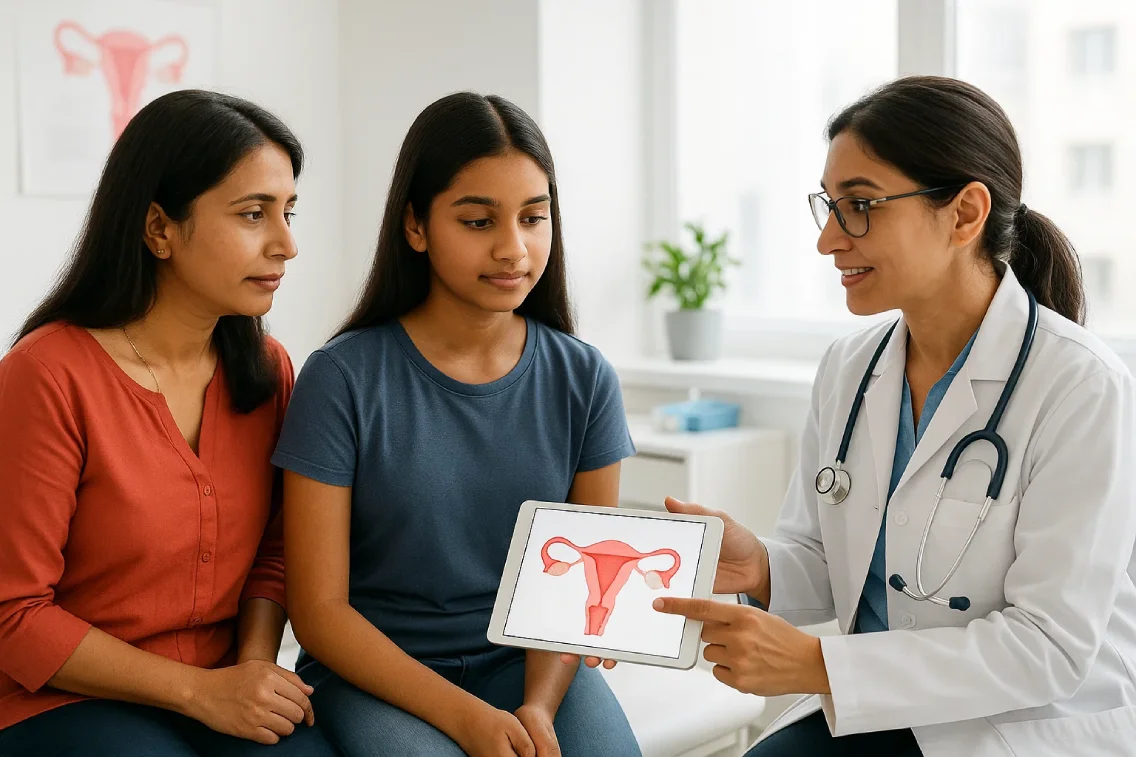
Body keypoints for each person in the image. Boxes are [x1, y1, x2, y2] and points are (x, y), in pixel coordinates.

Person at [656, 75, 1136, 757]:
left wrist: (816, 665)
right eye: (829, 205)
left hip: (1022, 726)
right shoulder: (850, 369)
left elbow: (1047, 648)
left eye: (860, 205)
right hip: (878, 709)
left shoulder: (1081, 387)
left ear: (965, 214)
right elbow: (825, 560)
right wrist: (760, 565)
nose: (829, 240)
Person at [274, 92, 642, 757]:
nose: (513, 248)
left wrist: (535, 706)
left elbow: (575, 596)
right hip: (377, 673)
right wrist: (467, 717)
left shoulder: (586, 378)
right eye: (478, 221)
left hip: (531, 669)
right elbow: (319, 613)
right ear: (415, 226)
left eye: (534, 217)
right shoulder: (341, 377)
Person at [0, 90, 338, 757]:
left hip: (219, 689)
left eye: (288, 212)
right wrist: (198, 692)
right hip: (63, 699)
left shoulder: (268, 370)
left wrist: (250, 671)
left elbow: (277, 551)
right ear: (159, 228)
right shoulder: (46, 374)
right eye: (253, 214)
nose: (287, 244)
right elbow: (14, 613)